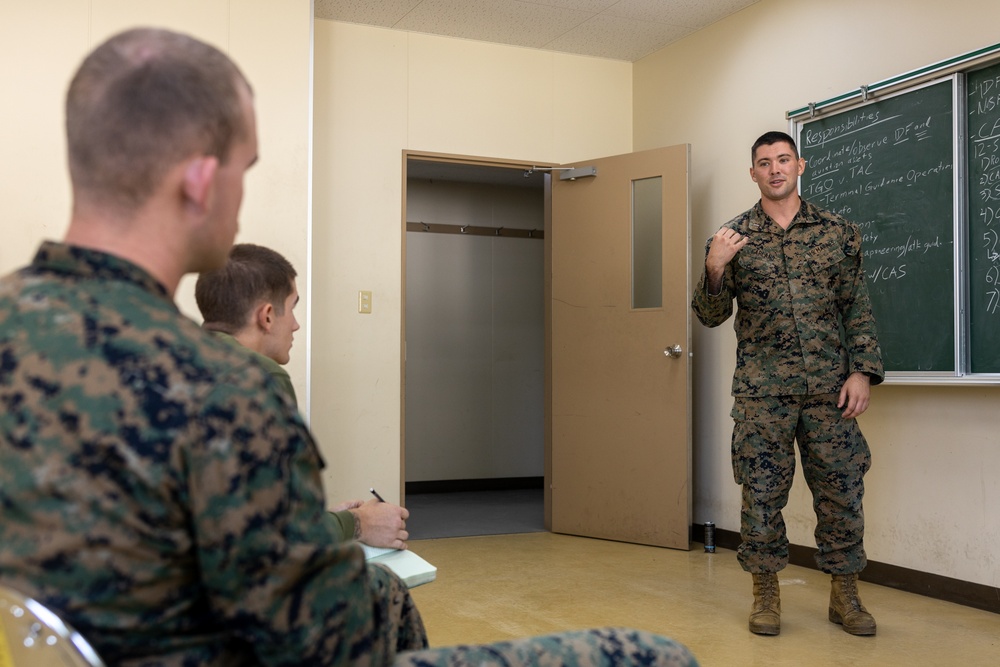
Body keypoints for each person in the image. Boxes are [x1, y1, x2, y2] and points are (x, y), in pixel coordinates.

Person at [0, 27, 698, 666]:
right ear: (202, 181)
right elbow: (331, 642)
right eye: (247, 167)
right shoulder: (221, 389)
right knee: (652, 654)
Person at [691, 131, 884, 637]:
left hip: (830, 391)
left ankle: (845, 597)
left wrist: (862, 370)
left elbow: (856, 308)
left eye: (783, 160)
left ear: (800, 165)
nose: (774, 169)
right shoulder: (731, 238)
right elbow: (711, 317)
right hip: (762, 395)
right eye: (763, 163)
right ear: (751, 173)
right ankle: (765, 596)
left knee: (842, 495)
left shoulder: (839, 233)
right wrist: (713, 268)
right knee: (761, 496)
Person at [195, 242, 409, 550]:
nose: (295, 325)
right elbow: (277, 535)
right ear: (267, 316)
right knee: (386, 590)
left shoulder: (169, 361)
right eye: (293, 307)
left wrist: (322, 519)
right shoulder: (261, 376)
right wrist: (360, 523)